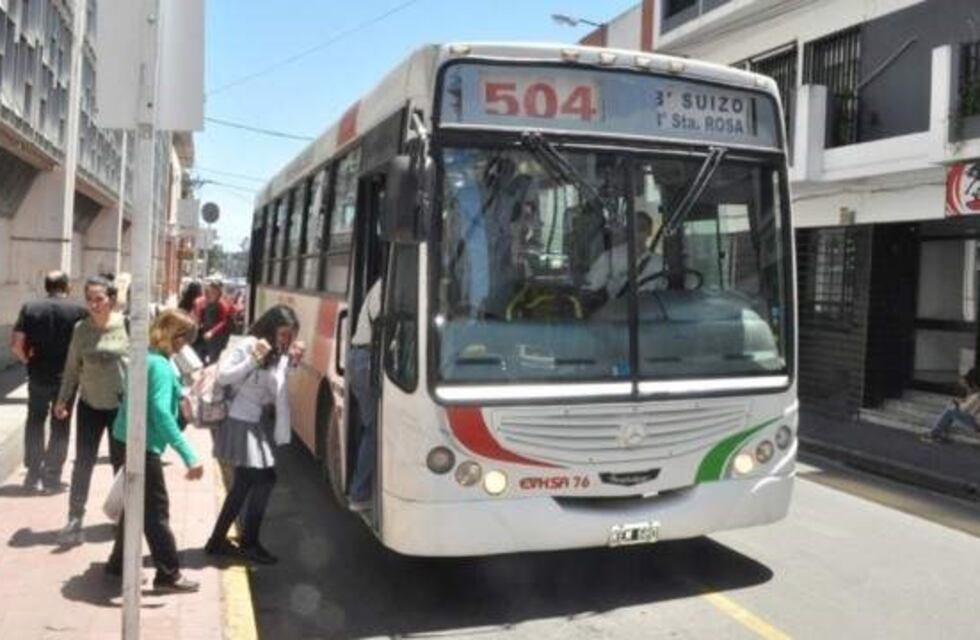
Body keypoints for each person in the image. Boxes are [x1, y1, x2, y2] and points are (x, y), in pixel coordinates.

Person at [105, 309, 204, 593]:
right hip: (142, 445)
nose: (186, 346)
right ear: (176, 337)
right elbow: (161, 412)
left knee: (134, 503)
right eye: (185, 340)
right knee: (156, 512)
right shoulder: (160, 365)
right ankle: (168, 574)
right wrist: (189, 455)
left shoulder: (143, 356)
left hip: (123, 439)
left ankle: (116, 564)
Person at [205, 305, 304, 564]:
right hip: (238, 420)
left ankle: (218, 541)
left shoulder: (276, 354)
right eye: (283, 334)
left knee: (244, 484)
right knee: (264, 479)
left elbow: (273, 392)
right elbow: (224, 376)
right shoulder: (250, 344)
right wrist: (253, 359)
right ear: (271, 328)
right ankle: (248, 543)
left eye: (291, 335)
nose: (286, 340)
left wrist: (290, 364)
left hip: (252, 421)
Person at [54, 275, 130, 544]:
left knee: (121, 464)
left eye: (99, 299)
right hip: (89, 406)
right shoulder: (80, 329)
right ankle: (75, 518)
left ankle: (124, 517)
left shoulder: (127, 326)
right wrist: (62, 400)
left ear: (110, 299)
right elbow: (72, 368)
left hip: (121, 408)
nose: (94, 304)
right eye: (89, 299)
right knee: (83, 462)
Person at [9, 271, 88, 493]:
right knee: (61, 423)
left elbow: (16, 344)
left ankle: (33, 473)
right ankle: (52, 475)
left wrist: (27, 360)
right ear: (67, 286)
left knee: (35, 419)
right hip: (67, 376)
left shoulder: (30, 308)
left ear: (46, 286)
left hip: (38, 374)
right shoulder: (78, 311)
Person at [347, 279, 382, 512]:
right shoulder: (390, 284)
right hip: (366, 360)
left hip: (364, 358)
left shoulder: (384, 283)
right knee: (375, 428)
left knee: (372, 426)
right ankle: (359, 494)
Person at [584, 211, 664, 299]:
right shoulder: (610, 258)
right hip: (620, 310)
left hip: (652, 309)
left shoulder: (659, 262)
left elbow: (663, 293)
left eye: (642, 228)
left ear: (650, 231)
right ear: (627, 231)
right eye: (633, 228)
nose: (637, 233)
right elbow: (590, 289)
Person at [922, 369, 980, 443]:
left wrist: (957, 404)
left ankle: (934, 434)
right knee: (951, 411)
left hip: (977, 424)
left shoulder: (977, 396)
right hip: (976, 421)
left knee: (950, 411)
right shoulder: (976, 395)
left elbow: (964, 409)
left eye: (968, 384)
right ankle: (940, 433)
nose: (966, 386)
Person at [193, 279, 233, 364]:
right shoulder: (205, 301)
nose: (210, 294)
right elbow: (200, 316)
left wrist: (212, 332)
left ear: (218, 293)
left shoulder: (222, 304)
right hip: (204, 334)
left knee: (213, 360)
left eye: (213, 292)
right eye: (209, 291)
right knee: (198, 355)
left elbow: (223, 322)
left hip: (217, 337)